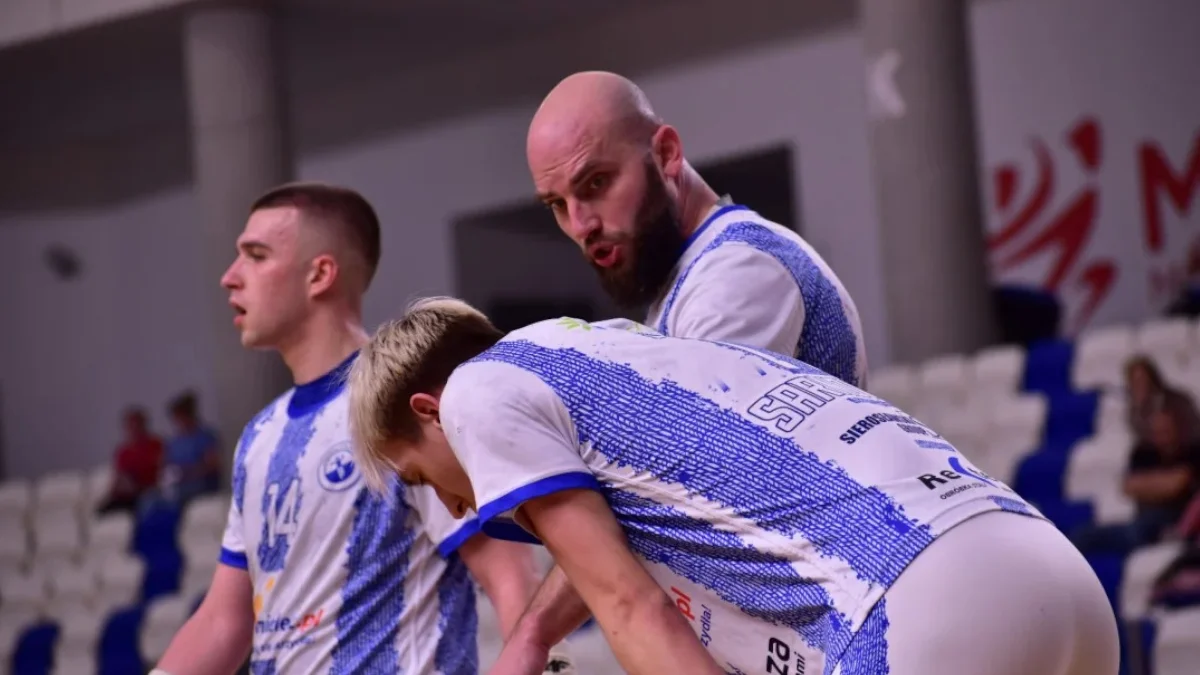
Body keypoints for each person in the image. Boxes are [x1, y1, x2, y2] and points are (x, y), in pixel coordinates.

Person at [347, 298, 1120, 675]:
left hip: (913, 604)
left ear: (431, 410)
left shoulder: (475, 394)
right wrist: (534, 632)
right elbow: (618, 535)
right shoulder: (613, 347)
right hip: (1049, 569)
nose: (454, 505)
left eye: (421, 477)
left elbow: (631, 606)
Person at [154, 184, 541, 675]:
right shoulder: (260, 435)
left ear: (319, 274)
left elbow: (511, 577)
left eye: (256, 256)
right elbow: (224, 621)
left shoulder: (406, 403)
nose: (230, 277)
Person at [526, 70, 867, 388]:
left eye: (596, 182)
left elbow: (695, 432)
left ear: (666, 153)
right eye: (557, 204)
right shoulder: (693, 275)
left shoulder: (738, 272)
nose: (581, 226)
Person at [1073, 405, 1200, 556]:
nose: (1161, 438)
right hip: (1144, 519)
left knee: (1140, 528)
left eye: (1166, 431)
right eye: (1157, 432)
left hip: (1175, 518)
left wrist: (1149, 485)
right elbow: (1128, 486)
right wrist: (1164, 483)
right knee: (1083, 535)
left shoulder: (1191, 451)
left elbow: (1177, 484)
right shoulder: (1144, 452)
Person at [96, 407, 164, 514]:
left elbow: (161, 470)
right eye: (130, 425)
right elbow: (119, 475)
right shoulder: (123, 451)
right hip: (126, 494)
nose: (133, 429)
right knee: (101, 510)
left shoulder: (156, 444)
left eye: (136, 424)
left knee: (148, 504)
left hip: (147, 491)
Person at [161, 391, 222, 503]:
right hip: (177, 486)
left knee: (174, 498)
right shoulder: (174, 442)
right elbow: (167, 466)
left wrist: (187, 473)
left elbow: (213, 466)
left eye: (181, 417)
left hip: (200, 485)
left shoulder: (205, 437)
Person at [1125, 355, 1199, 443]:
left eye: (1142, 379)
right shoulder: (1135, 410)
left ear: (1151, 379)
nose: (1140, 385)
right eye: (1135, 381)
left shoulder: (1176, 402)